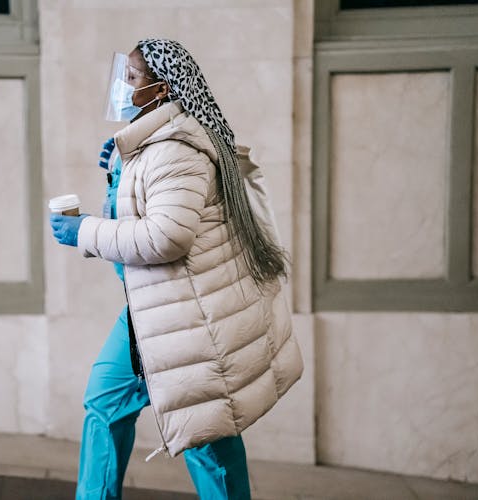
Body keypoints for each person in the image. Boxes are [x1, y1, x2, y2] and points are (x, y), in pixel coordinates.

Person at [49, 38, 304, 500]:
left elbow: (166, 237)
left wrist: (83, 231)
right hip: (151, 313)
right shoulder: (153, 144)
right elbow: (143, 219)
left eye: (132, 79)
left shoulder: (175, 150)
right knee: (106, 406)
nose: (122, 87)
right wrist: (118, 174)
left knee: (207, 438)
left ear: (162, 89)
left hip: (189, 318)